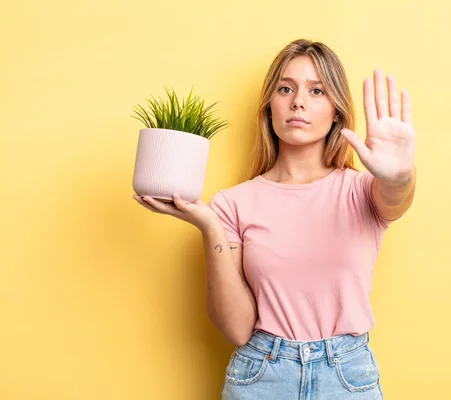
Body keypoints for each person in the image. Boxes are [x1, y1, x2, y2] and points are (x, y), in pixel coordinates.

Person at [133, 38, 416, 399]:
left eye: (317, 91)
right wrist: (209, 226)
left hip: (347, 378)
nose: (298, 101)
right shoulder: (232, 204)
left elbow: (397, 197)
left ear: (337, 112)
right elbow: (237, 329)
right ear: (269, 106)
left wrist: (399, 176)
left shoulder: (362, 191)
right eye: (286, 88)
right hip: (261, 376)